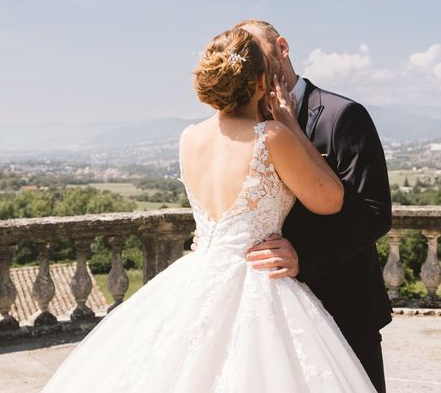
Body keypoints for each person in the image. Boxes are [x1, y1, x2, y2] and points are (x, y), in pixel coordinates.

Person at [41, 27, 378, 392]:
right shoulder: (273, 137)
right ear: (262, 81)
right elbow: (331, 199)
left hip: (197, 275)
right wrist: (292, 127)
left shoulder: (189, 139)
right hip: (260, 282)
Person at [194, 20, 393, 393]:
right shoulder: (238, 124)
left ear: (282, 48)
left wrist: (303, 254)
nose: (256, 68)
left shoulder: (341, 115)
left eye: (260, 54)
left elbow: (374, 212)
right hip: (256, 312)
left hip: (341, 301)